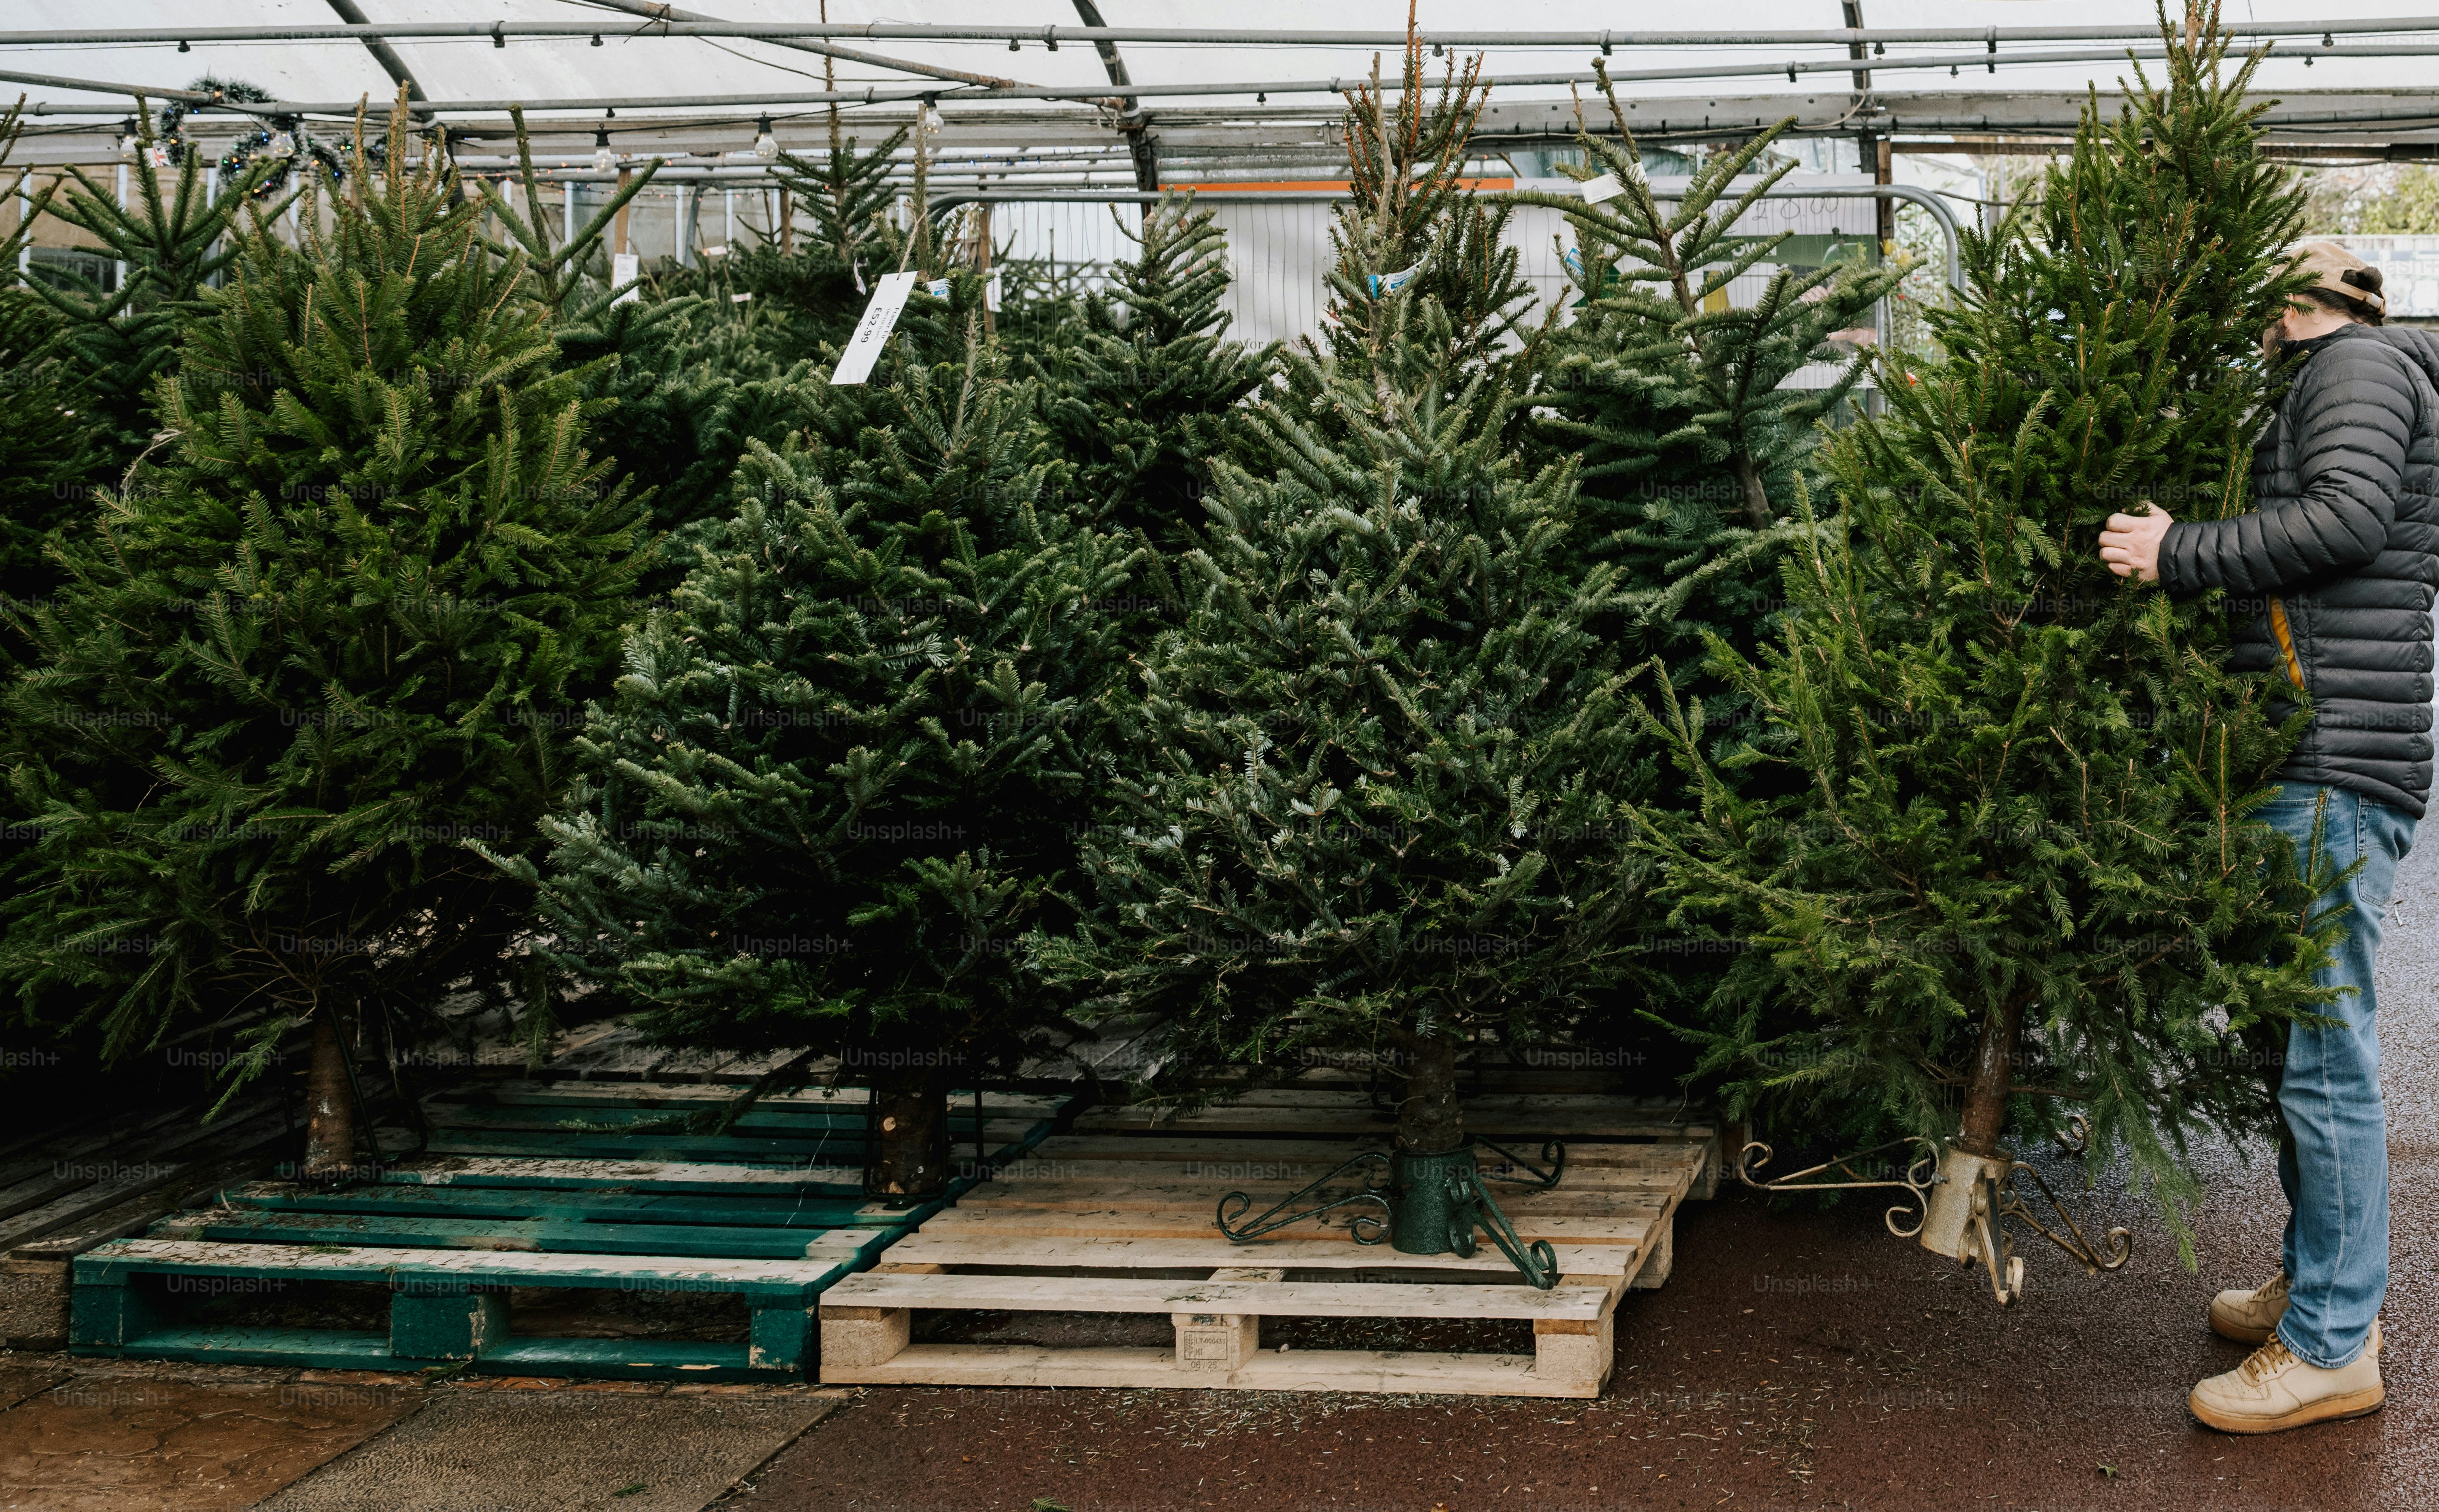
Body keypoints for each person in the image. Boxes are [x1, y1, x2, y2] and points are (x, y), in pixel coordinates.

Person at [2098, 240, 2439, 1434]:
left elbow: (2342, 521)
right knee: (2298, 1045)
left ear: (2287, 308)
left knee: (2324, 1054)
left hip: (2332, 760)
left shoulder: (2349, 368)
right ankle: (2318, 1286)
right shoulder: (2341, 375)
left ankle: (2333, 1345)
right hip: (2315, 752)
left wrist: (2173, 550)